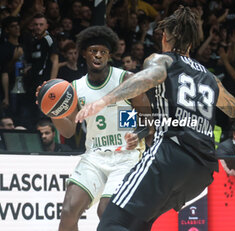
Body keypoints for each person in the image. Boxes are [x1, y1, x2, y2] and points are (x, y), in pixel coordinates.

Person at [75, 6, 235, 230]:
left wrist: (104, 100)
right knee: (138, 225)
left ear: (165, 37)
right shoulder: (210, 78)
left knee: (111, 222)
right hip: (202, 171)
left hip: (170, 155)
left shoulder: (162, 60)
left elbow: (151, 76)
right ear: (190, 43)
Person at [37, 26, 153, 230]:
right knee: (68, 212)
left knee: (106, 211)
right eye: (93, 50)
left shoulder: (126, 80)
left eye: (103, 51)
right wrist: (52, 111)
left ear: (109, 55)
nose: (98, 55)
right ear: (84, 53)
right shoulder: (75, 88)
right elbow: (68, 131)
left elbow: (150, 121)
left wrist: (137, 134)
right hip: (95, 156)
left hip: (126, 157)